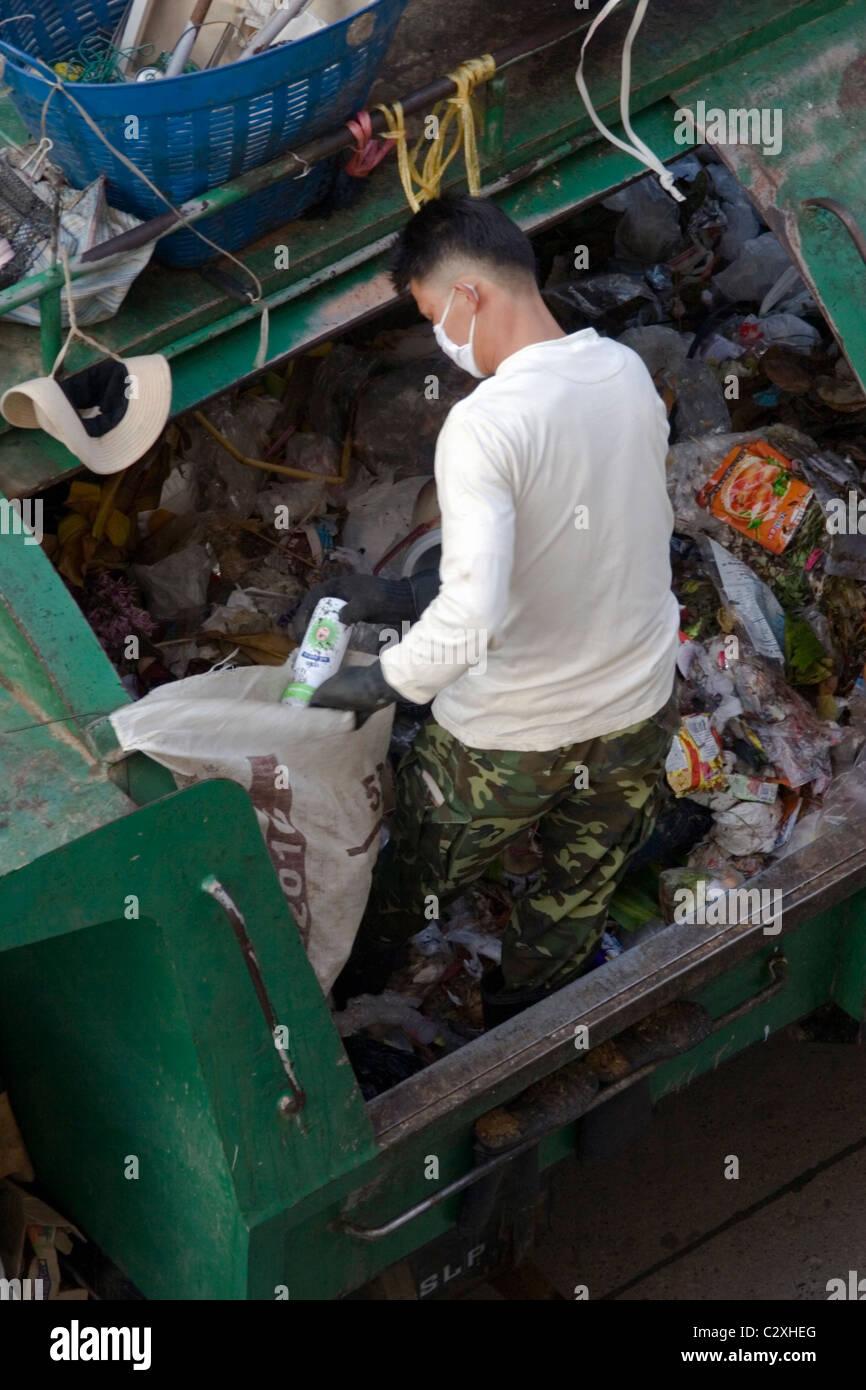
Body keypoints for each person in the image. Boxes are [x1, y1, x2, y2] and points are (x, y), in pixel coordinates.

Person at [297, 194, 681, 1025]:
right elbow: (592, 541)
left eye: (434, 313)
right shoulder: (623, 374)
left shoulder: (485, 425)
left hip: (508, 742)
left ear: (470, 295)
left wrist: (378, 684)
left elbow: (472, 617)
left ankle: (351, 1007)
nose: (439, 335)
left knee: (408, 884)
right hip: (638, 714)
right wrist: (403, 595)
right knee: (576, 894)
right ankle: (533, 1036)